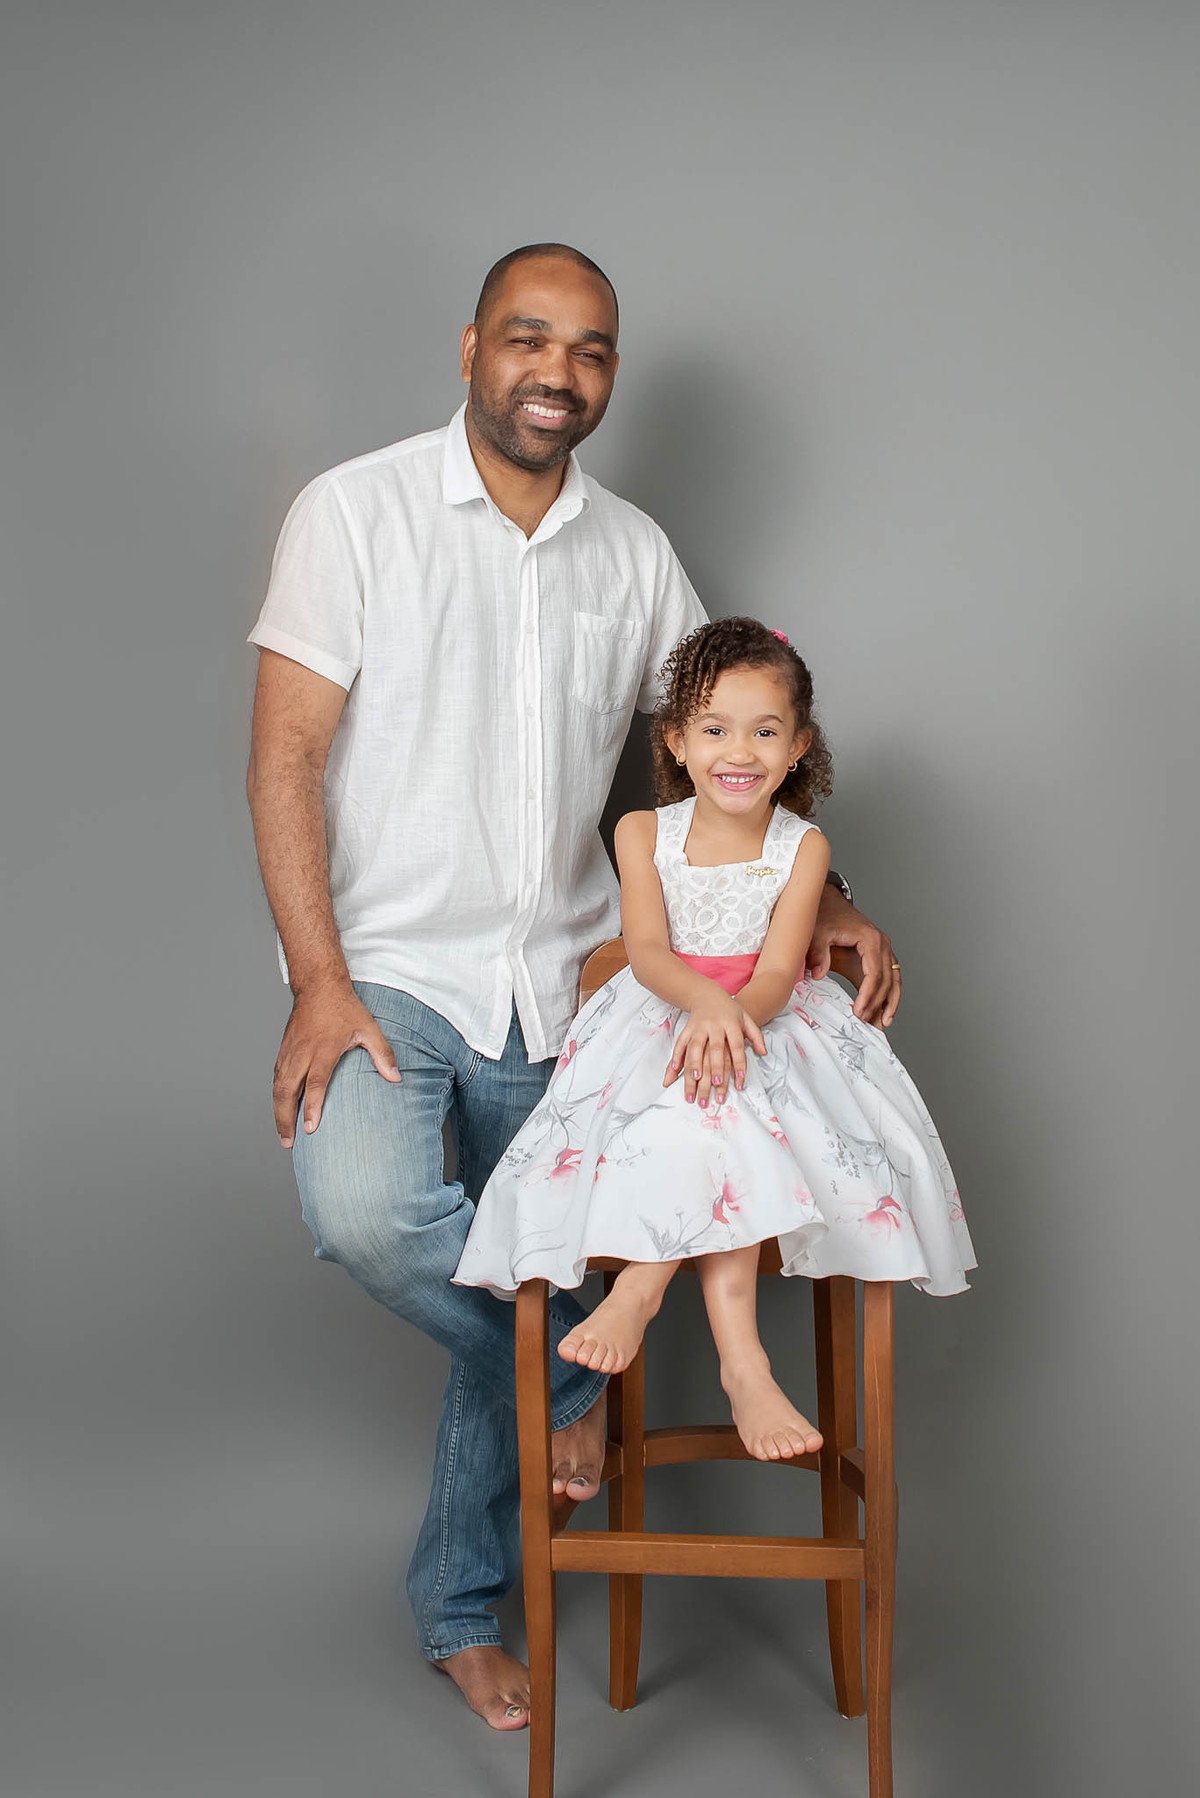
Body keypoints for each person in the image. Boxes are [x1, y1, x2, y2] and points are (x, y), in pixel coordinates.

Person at [245, 244, 903, 1732]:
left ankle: (460, 1604)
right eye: (528, 338)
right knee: (371, 1213)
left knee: (534, 1257)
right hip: (389, 971)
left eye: (591, 349)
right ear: (471, 346)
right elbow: (285, 753)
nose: (557, 371)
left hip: (583, 978)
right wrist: (317, 981)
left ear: (610, 374)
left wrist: (833, 896)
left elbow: (729, 747)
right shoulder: (353, 512)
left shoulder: (637, 555)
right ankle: (575, 1384)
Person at [456, 618, 975, 1459]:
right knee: (698, 1113)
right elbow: (649, 954)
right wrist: (705, 1005)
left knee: (723, 1110)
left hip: (768, 1024)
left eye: (765, 732)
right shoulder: (641, 833)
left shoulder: (803, 847)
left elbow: (776, 972)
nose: (740, 752)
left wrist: (733, 1017)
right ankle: (744, 1365)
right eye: (715, 729)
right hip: (662, 1016)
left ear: (799, 746)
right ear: (677, 740)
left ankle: (651, 1301)